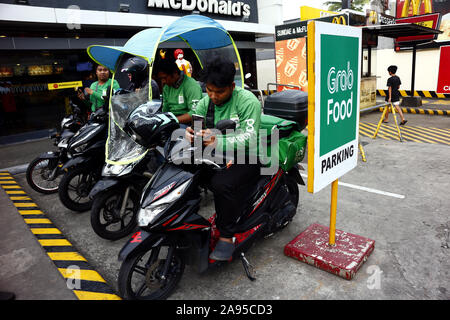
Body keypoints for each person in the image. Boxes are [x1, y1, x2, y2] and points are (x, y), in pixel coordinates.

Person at [185, 56, 261, 261]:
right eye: (209, 90)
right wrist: (190, 133)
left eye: (219, 92)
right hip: (216, 153)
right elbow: (197, 127)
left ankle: (227, 236)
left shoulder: (247, 101)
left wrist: (218, 141)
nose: (213, 96)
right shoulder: (205, 102)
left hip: (250, 155)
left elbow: (251, 137)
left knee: (221, 183)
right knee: (183, 173)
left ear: (232, 86)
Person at [155, 58, 202, 125]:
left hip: (188, 124)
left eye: (165, 78)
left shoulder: (191, 86)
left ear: (175, 73)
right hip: (172, 122)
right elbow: (165, 110)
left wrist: (174, 120)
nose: (163, 81)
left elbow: (195, 113)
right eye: (161, 79)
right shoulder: (166, 87)